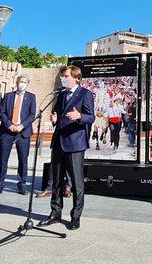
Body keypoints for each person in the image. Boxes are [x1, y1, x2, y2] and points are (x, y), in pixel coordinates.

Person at [39, 65, 95, 231]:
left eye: (66, 76)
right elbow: (58, 114)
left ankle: (75, 216)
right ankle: (55, 212)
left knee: (77, 182)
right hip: (59, 142)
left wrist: (80, 116)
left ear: (76, 78)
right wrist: (55, 119)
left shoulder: (85, 94)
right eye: (62, 76)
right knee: (56, 180)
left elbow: (91, 117)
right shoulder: (61, 95)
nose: (63, 79)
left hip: (75, 143)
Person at [0, 74, 36, 196]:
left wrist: (22, 126)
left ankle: (22, 184)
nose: (22, 83)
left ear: (28, 83)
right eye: (20, 81)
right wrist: (9, 125)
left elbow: (32, 115)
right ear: (16, 82)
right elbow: (2, 112)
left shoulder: (31, 97)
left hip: (23, 132)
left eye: (24, 81)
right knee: (3, 159)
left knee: (23, 159)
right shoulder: (8, 96)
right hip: (7, 131)